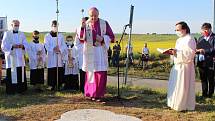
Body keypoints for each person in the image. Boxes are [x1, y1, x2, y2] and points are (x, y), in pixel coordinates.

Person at [76, 7, 115, 101]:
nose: (93, 17)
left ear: (98, 14)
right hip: (90, 51)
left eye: (95, 15)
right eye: (91, 16)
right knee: (91, 73)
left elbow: (112, 37)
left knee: (100, 73)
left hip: (100, 51)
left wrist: (102, 39)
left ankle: (99, 94)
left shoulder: (104, 23)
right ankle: (91, 94)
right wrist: (82, 27)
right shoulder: (86, 23)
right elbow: (81, 38)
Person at [167, 21, 196, 111]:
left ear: (184, 29)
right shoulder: (179, 40)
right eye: (175, 30)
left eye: (178, 30)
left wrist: (177, 52)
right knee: (176, 85)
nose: (176, 32)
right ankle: (173, 103)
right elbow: (177, 51)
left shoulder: (190, 39)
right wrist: (172, 52)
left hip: (185, 67)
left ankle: (183, 106)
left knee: (183, 87)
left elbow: (190, 54)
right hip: (177, 66)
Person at [1, 20, 28, 94]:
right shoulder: (7, 33)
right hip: (12, 57)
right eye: (15, 25)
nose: (17, 27)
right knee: (12, 73)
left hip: (20, 57)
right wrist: (12, 46)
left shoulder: (22, 34)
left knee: (20, 73)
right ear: (11, 25)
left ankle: (21, 90)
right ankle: (11, 90)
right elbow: (3, 46)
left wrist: (23, 46)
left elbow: (26, 43)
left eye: (18, 25)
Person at [44, 20, 67, 91]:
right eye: (54, 26)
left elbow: (64, 45)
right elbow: (46, 45)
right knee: (51, 70)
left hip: (59, 55)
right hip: (51, 55)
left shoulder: (60, 35)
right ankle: (51, 85)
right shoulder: (47, 36)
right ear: (51, 26)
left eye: (56, 26)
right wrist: (53, 48)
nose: (55, 27)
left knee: (59, 69)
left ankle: (59, 84)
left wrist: (60, 49)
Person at [196, 23, 215, 98]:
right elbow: (197, 48)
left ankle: (210, 95)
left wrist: (204, 51)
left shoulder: (214, 37)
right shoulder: (200, 38)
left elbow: (213, 49)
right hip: (201, 61)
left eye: (206, 29)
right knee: (203, 78)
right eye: (203, 30)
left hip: (210, 61)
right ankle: (204, 94)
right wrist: (197, 50)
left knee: (211, 79)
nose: (204, 31)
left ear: (210, 29)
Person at [74, 17, 89, 93]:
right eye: (82, 22)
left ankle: (90, 88)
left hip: (90, 55)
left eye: (85, 22)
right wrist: (84, 47)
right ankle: (82, 88)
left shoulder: (91, 30)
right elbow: (76, 44)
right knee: (82, 72)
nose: (83, 24)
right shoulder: (79, 31)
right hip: (82, 55)